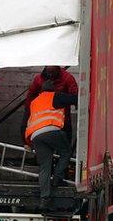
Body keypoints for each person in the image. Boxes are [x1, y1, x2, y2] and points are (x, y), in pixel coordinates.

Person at [25, 79, 77, 210]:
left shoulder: (34, 102)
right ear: (53, 89)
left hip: (36, 135)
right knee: (66, 152)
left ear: (41, 90)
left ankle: (45, 199)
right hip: (52, 131)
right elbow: (75, 98)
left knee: (44, 167)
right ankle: (57, 178)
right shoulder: (56, 96)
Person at [25, 66, 78, 141]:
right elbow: (75, 97)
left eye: (53, 73)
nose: (51, 75)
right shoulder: (39, 79)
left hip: (58, 119)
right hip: (57, 120)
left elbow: (74, 95)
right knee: (64, 147)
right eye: (49, 73)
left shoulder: (67, 78)